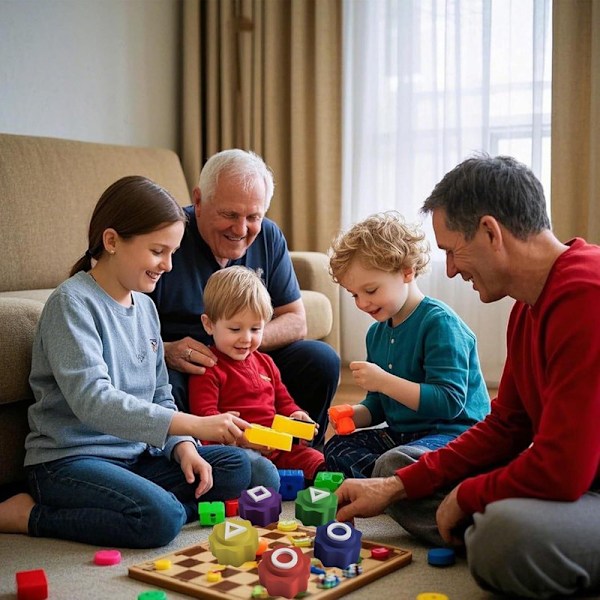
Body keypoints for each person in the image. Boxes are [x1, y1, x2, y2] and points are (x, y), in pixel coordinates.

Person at [333, 155, 600, 599]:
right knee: (398, 470)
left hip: (581, 481)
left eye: (452, 251)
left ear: (491, 232)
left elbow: (562, 471)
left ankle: (482, 531)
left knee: (501, 537)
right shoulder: (528, 307)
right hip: (583, 478)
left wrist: (468, 496)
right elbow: (507, 426)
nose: (452, 269)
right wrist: (397, 485)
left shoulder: (584, 297)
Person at [0, 176, 252, 549]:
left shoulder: (146, 307)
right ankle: (30, 515)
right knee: (161, 518)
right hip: (70, 462)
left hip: (136, 456)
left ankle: (142, 502)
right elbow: (93, 401)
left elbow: (161, 393)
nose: (167, 265)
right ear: (112, 240)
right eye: (157, 251)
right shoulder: (71, 304)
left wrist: (183, 446)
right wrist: (196, 424)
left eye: (173, 253)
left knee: (242, 467)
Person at [149, 149, 340, 448]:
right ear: (198, 201)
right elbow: (127, 328)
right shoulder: (168, 236)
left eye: (253, 217)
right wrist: (166, 349)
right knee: (166, 384)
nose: (241, 230)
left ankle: (300, 452)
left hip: (249, 363)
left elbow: (295, 320)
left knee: (321, 359)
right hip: (189, 370)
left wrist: (241, 342)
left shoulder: (269, 236)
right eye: (229, 215)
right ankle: (196, 458)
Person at [324, 211, 489, 479]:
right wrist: (355, 415)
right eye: (355, 295)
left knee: (398, 462)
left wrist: (383, 381)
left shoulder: (440, 324)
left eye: (371, 290)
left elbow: (449, 402)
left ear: (406, 271)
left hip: (452, 436)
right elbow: (380, 404)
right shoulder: (376, 334)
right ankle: (400, 486)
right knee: (337, 449)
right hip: (403, 439)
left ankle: (399, 485)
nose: (363, 303)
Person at [189, 265, 326, 489]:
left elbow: (283, 401)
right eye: (235, 329)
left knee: (317, 459)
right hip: (238, 450)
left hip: (276, 447)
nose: (246, 338)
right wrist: (241, 438)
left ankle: (313, 479)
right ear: (209, 324)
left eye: (255, 329)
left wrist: (296, 414)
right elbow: (205, 419)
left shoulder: (265, 362)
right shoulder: (209, 368)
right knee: (258, 469)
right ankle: (275, 482)